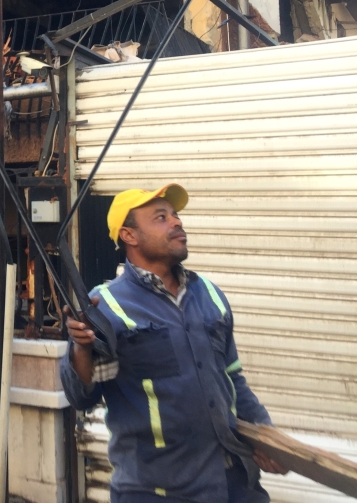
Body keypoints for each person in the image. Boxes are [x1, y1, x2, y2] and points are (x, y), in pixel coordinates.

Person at [61, 183, 287, 503]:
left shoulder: (208, 293)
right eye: (161, 217)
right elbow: (82, 395)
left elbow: (232, 377)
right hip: (156, 493)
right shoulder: (106, 306)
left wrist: (266, 436)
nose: (177, 222)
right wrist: (81, 347)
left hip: (233, 484)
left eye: (176, 215)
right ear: (129, 235)